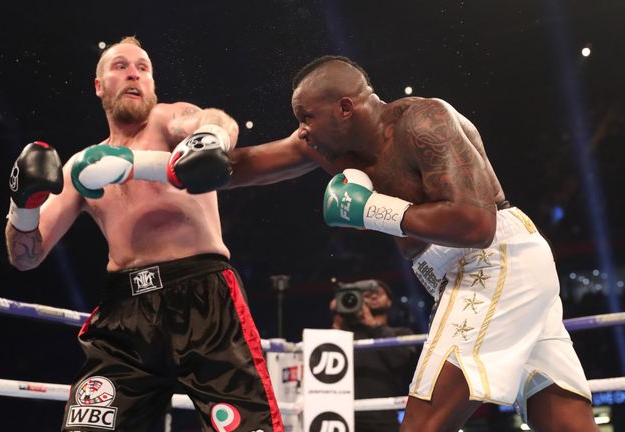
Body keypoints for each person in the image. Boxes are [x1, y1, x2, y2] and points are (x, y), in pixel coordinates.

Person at [228, 55, 599, 431]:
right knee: (566, 424)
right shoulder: (328, 147)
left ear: (345, 108)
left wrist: (372, 210)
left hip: (492, 264)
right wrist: (193, 159)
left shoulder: (423, 121)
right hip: (476, 273)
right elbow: (242, 166)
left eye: (306, 117)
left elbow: (476, 224)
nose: (302, 131)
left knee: (422, 425)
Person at [5, 36, 283, 432]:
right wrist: (23, 205)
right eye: (120, 66)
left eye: (143, 68)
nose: (133, 73)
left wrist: (211, 138)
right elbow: (26, 256)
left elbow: (216, 122)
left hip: (202, 297)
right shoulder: (80, 167)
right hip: (125, 317)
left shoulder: (169, 121)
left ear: (152, 83)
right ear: (99, 85)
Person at [330, 280, 419, 432]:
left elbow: (400, 360)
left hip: (384, 420)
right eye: (367, 295)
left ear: (389, 301)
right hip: (345, 419)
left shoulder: (402, 333)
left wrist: (372, 324)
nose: (373, 296)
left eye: (379, 293)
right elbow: (328, 360)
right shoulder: (346, 335)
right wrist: (338, 320)